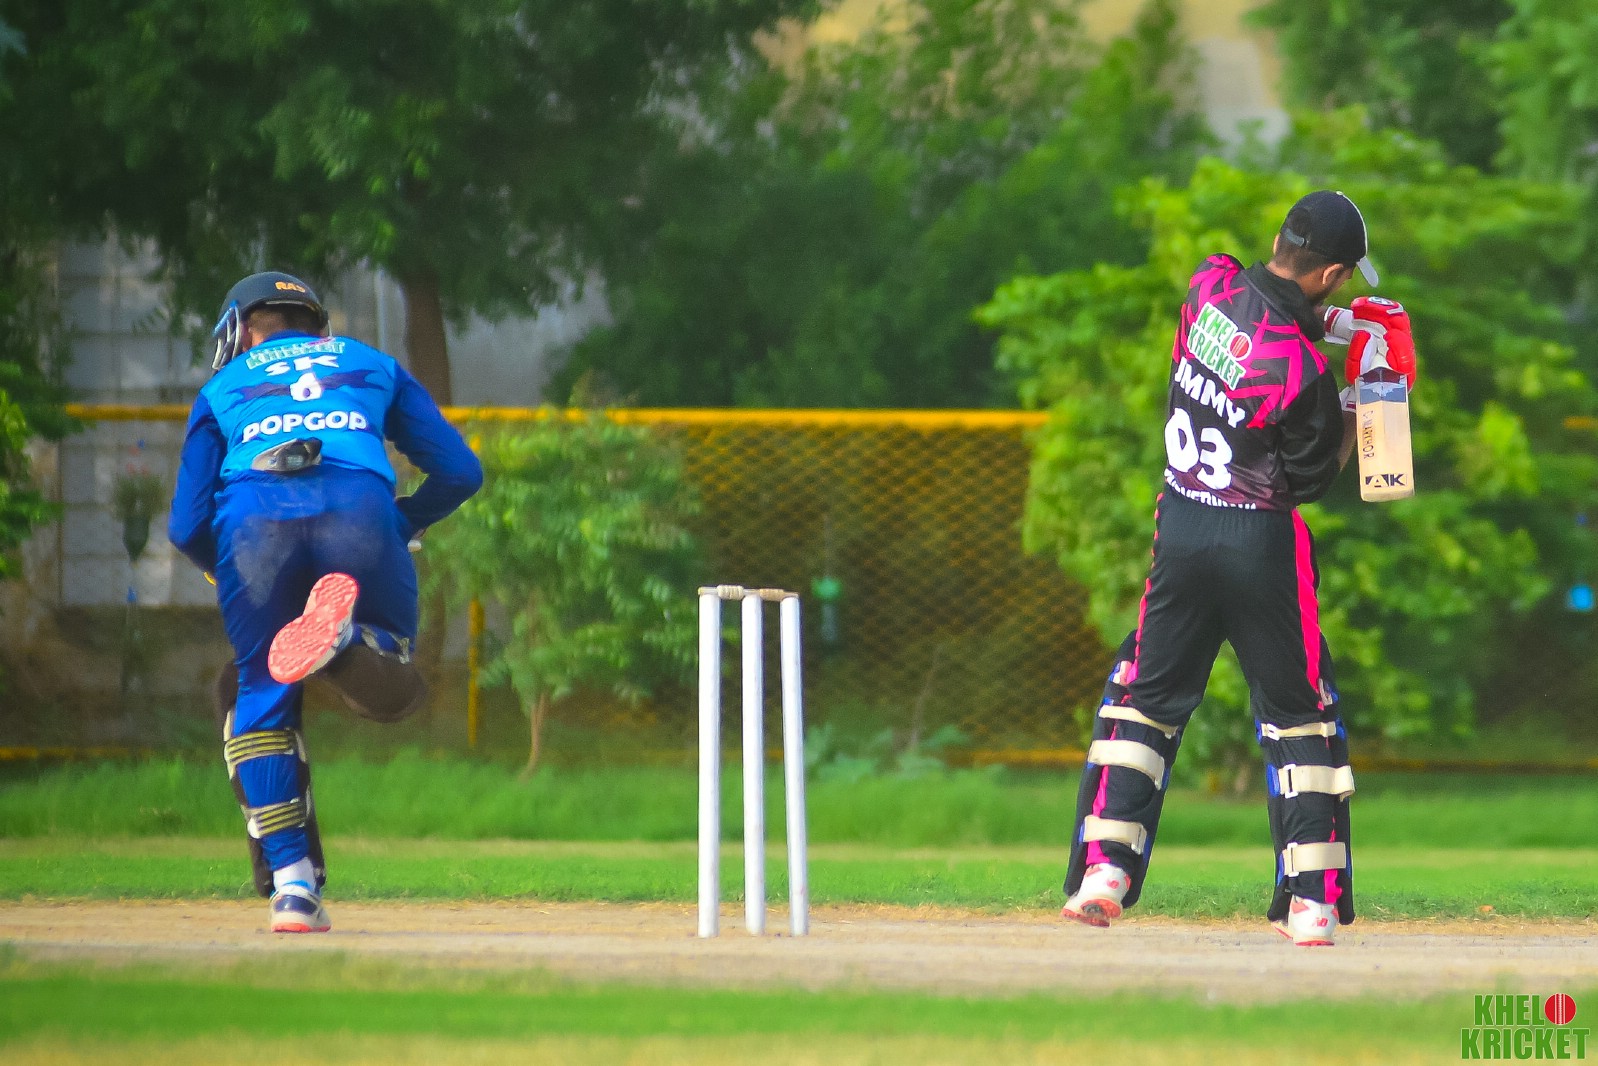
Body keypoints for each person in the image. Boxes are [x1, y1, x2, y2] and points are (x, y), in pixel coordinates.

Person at [1058, 191, 1416, 946]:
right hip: (1261, 544)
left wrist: (1343, 325)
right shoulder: (1304, 375)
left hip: (1183, 529)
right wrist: (1367, 392)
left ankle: (1105, 875)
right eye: (1344, 282)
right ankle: (1312, 905)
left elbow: (1263, 320)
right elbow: (1314, 478)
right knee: (1297, 711)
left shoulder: (1208, 284)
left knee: (1147, 700)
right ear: (1333, 273)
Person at [168, 271, 482, 933]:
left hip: (253, 523)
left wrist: (228, 572)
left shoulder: (221, 387)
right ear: (318, 326)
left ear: (237, 331)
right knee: (394, 684)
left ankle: (293, 889)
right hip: (358, 507)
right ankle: (341, 645)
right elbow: (461, 471)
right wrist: (402, 521)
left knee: (259, 695)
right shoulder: (370, 362)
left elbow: (186, 525)